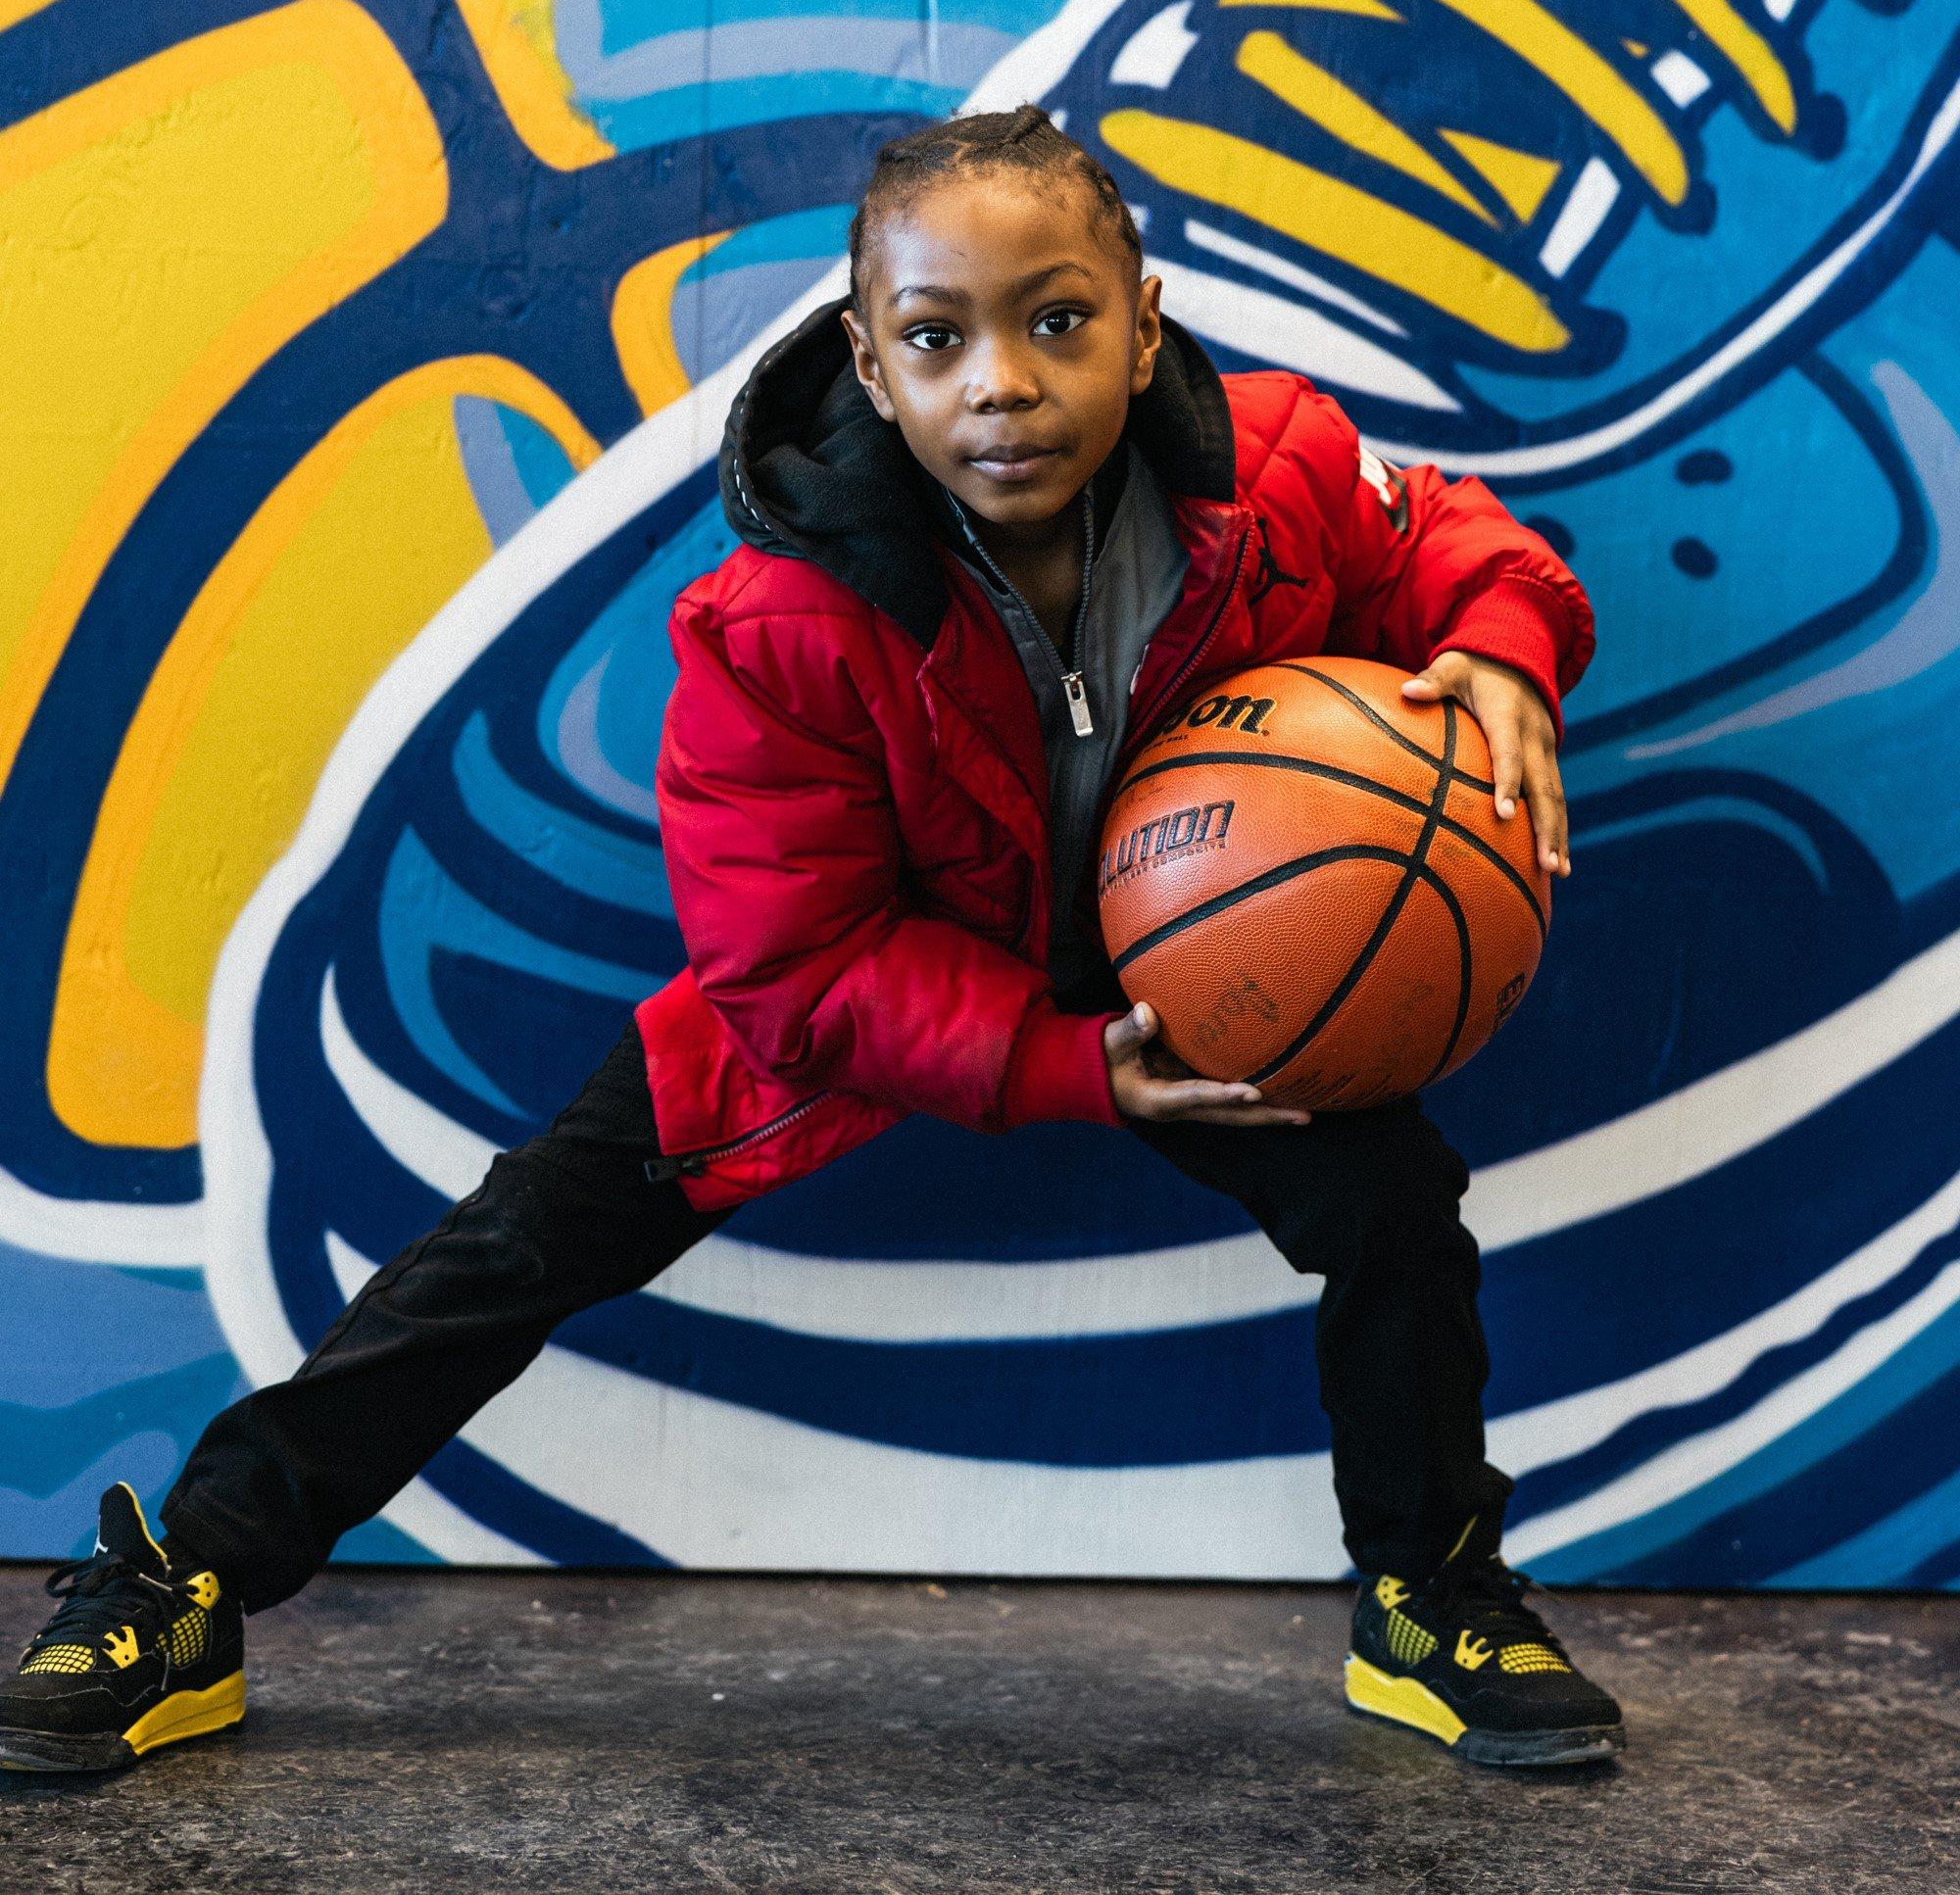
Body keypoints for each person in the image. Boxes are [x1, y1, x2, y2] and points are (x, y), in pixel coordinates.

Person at [0, 106, 1615, 1775]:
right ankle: (180, 1584)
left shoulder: (1271, 471)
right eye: (939, 338)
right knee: (502, 1257)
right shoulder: (783, 619)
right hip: (896, 981)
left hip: (1208, 948)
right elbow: (796, 965)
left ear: (1144, 325)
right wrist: (1064, 1069)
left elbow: (1436, 535)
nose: (1002, 380)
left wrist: (1499, 641)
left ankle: (1433, 1596)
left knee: (1393, 1207)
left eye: (1057, 320)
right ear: (873, 356)